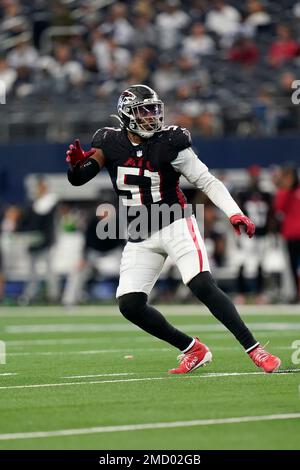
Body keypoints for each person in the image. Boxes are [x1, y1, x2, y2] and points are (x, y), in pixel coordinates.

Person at [66, 84, 281, 374]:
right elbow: (81, 178)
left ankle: (256, 350)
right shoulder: (108, 141)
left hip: (175, 222)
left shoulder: (170, 142)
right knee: (129, 305)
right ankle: (193, 349)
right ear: (126, 115)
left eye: (154, 110)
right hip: (139, 231)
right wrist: (76, 167)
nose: (151, 117)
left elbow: (206, 181)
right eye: (143, 111)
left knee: (201, 284)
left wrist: (234, 213)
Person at [274, 166, 300, 302]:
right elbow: (279, 208)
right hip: (290, 235)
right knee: (292, 267)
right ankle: (295, 294)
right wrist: (285, 189)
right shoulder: (283, 192)